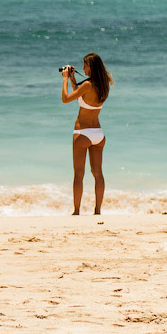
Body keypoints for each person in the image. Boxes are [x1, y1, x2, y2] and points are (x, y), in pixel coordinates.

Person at [61, 53, 113, 215]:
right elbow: (82, 96)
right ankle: (97, 210)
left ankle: (76, 211)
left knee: (79, 174)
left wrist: (64, 79)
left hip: (82, 133)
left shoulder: (87, 85)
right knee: (98, 173)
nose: (83, 68)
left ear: (91, 66)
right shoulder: (103, 85)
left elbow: (66, 99)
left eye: (85, 65)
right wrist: (72, 79)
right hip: (98, 134)